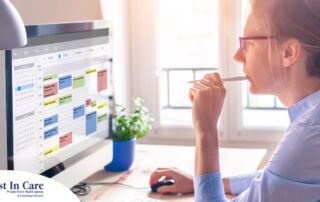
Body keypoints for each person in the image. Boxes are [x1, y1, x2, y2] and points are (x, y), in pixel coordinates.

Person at [150, 0, 320, 201]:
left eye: (247, 43)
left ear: (288, 52)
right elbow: (277, 179)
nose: (237, 56)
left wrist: (206, 131)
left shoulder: (308, 133)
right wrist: (199, 182)